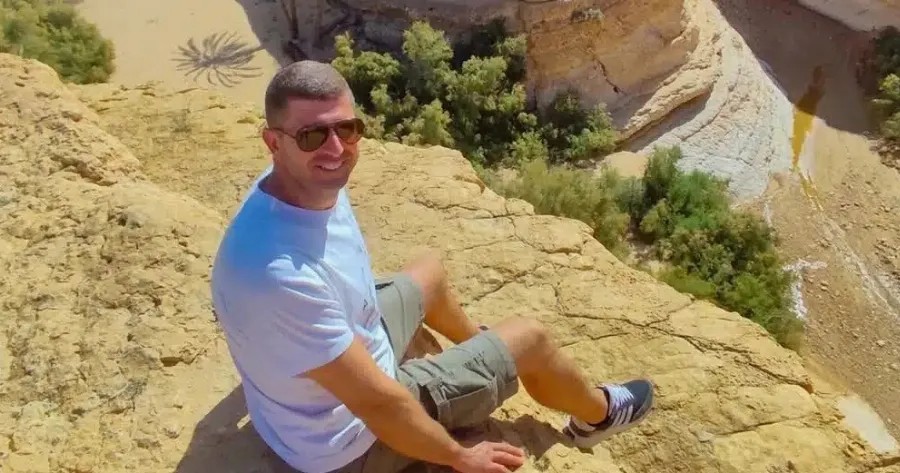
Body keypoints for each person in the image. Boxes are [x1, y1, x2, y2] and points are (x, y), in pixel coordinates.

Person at [209, 60, 655, 473]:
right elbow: (379, 404)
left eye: (347, 129)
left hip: (333, 377)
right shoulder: (280, 274)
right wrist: (462, 457)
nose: (336, 148)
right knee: (530, 338)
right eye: (313, 136)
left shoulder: (292, 188)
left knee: (429, 272)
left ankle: (481, 351)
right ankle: (598, 415)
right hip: (347, 444)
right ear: (274, 142)